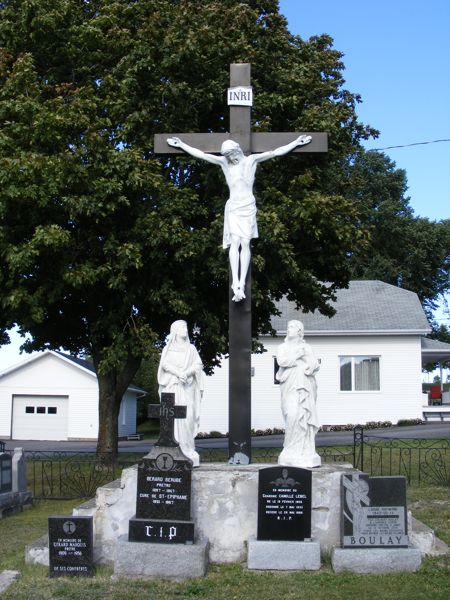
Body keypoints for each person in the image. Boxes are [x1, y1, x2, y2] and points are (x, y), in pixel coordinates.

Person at [166, 135, 312, 302]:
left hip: (248, 206)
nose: (230, 159)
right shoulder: (224, 163)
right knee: (234, 242)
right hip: (234, 207)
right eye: (228, 156)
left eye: (232, 155)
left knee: (245, 242)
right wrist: (182, 145)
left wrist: (295, 142)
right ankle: (235, 281)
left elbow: (276, 152)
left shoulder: (251, 161)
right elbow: (202, 155)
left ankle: (242, 282)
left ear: (237, 150)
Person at [157, 320, 204, 467]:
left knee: (188, 416)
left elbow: (198, 364)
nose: (186, 329)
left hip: (187, 387)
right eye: (183, 327)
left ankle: (188, 449)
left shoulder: (191, 349)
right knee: (171, 416)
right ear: (175, 330)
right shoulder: (168, 348)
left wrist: (186, 373)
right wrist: (178, 373)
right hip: (172, 386)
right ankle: (173, 448)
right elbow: (164, 364)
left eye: (186, 326)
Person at [276, 319, 321, 468]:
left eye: (292, 327)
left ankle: (305, 450)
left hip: (305, 386)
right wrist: (296, 356)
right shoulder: (282, 347)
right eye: (288, 327)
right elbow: (282, 361)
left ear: (299, 331)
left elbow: (314, 364)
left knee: (304, 416)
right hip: (289, 385)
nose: (288, 329)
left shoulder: (306, 347)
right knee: (292, 415)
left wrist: (308, 364)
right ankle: (289, 450)